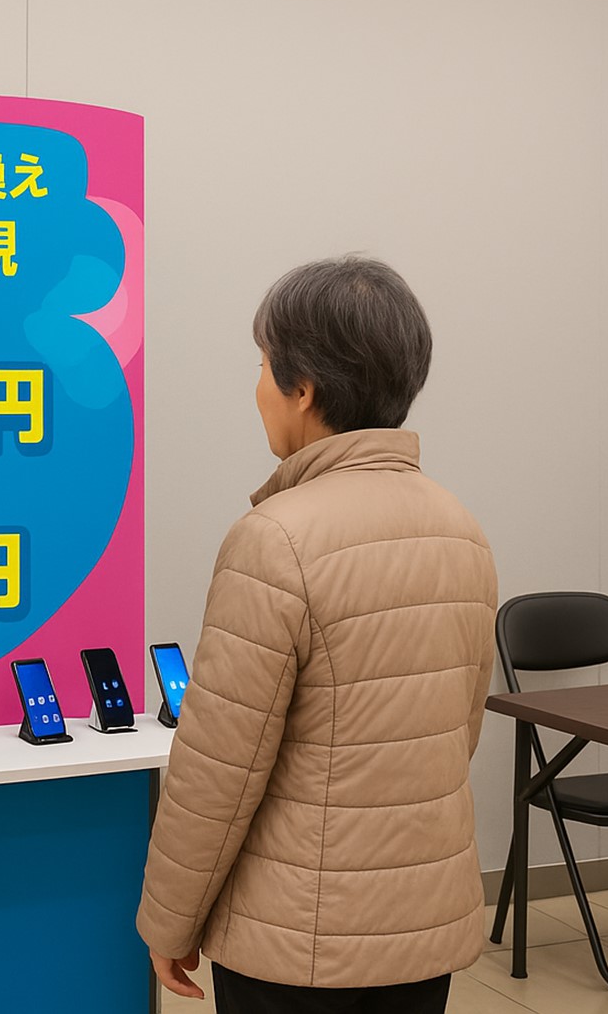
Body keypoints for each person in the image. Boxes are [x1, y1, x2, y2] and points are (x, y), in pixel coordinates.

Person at [136, 255, 497, 1013]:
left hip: (295, 942)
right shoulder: (460, 528)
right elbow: (455, 734)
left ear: (303, 388)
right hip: (421, 932)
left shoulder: (274, 540)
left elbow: (218, 772)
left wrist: (169, 919)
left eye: (263, 365)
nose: (257, 388)